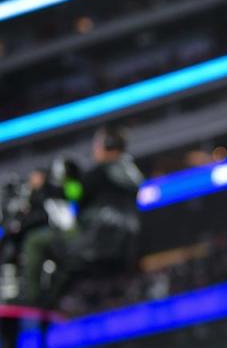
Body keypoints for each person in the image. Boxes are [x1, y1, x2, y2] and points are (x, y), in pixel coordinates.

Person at [20, 125, 143, 307]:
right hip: (122, 249)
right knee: (67, 259)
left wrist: (45, 184)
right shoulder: (133, 175)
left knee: (36, 241)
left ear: (107, 146)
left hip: (92, 242)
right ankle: (52, 300)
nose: (95, 150)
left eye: (97, 145)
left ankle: (31, 299)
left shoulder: (101, 172)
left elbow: (74, 193)